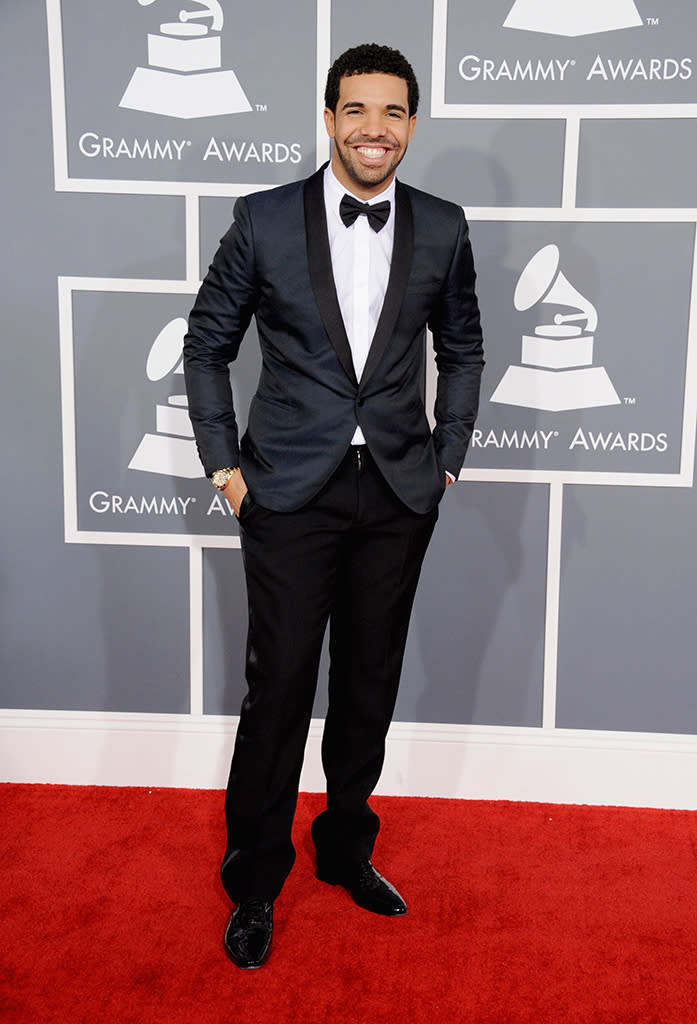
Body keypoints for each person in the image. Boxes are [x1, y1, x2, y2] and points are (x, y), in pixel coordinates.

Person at [183, 42, 484, 969]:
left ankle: (346, 848)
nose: (373, 130)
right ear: (327, 117)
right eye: (356, 110)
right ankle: (255, 880)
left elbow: (464, 349)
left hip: (396, 490)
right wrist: (225, 469)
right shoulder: (266, 219)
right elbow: (206, 345)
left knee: (368, 684)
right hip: (286, 490)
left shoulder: (440, 225)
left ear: (412, 125)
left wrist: (446, 463)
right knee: (276, 691)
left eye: (392, 113)